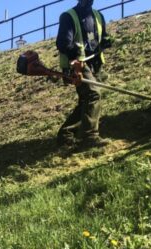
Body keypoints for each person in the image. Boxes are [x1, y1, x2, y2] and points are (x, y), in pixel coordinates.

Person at [56, 0, 114, 149]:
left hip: (95, 63)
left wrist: (106, 41)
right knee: (93, 94)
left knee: (86, 100)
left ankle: (66, 134)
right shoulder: (68, 17)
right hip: (77, 64)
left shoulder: (98, 16)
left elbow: (102, 36)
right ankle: (89, 136)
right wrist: (74, 53)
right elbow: (63, 43)